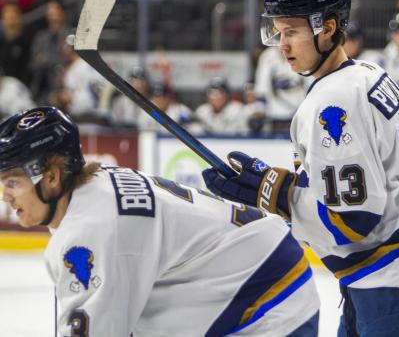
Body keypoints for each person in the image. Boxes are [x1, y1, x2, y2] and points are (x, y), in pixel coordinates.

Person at [203, 0, 399, 337]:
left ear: (327, 28)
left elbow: (353, 221)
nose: (283, 45)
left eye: (292, 31)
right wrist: (278, 186)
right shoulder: (366, 72)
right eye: (278, 32)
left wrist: (277, 194)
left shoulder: (334, 100)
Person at [0, 106, 320, 336]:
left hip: (266, 304)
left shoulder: (89, 233)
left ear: (53, 177)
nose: (4, 195)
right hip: (260, 275)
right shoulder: (98, 186)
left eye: (12, 182)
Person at [254, 46, 310, 133]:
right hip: (275, 117)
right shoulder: (268, 56)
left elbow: (310, 86)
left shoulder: (303, 53)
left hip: (299, 116)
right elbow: (262, 89)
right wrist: (259, 111)